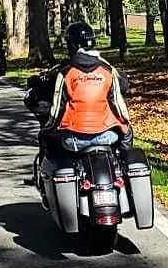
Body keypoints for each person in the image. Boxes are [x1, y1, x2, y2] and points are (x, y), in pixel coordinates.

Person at [31, 21, 132, 170]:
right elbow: (119, 104)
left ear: (71, 45)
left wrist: (48, 128)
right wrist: (125, 125)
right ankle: (123, 167)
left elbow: (57, 110)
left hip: (74, 140)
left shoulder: (65, 72)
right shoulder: (107, 70)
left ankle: (50, 175)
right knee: (127, 133)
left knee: (46, 136)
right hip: (108, 136)